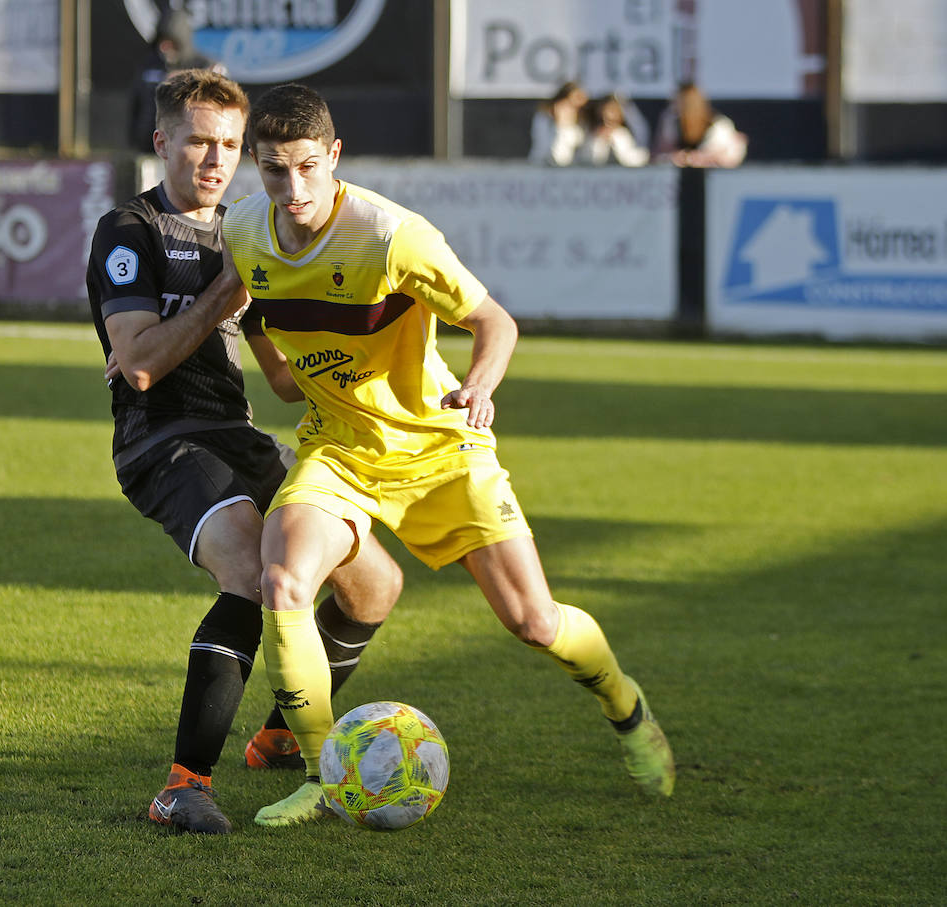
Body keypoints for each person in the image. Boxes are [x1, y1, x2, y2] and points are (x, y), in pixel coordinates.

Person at [220, 83, 677, 827]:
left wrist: (480, 385)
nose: (293, 187)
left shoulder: (392, 235)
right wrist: (270, 358)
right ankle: (321, 774)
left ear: (334, 155)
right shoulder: (243, 231)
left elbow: (496, 322)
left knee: (532, 620)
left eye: (308, 166)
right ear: (257, 165)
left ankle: (627, 708)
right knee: (282, 582)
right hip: (342, 450)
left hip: (440, 448)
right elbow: (267, 338)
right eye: (274, 169)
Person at [87, 68, 403, 835]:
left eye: (230, 144)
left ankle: (280, 736)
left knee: (374, 584)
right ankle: (183, 784)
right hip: (161, 439)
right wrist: (226, 292)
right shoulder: (129, 231)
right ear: (163, 142)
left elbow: (284, 381)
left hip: (239, 435)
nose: (215, 158)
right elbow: (138, 363)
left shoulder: (249, 231)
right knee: (256, 571)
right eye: (199, 141)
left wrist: (369, 348)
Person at [126, 7, 224, 154]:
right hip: (148, 146)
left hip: (189, 149)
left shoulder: (205, 65)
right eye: (162, 42)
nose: (165, 48)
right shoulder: (149, 66)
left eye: (170, 42)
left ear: (181, 40)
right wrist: (134, 138)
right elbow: (136, 103)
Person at [652, 81, 747, 168]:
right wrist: (676, 157)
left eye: (681, 102)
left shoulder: (719, 125)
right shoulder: (670, 120)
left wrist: (703, 158)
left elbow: (729, 159)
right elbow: (660, 152)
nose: (675, 106)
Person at [575, 92, 649, 166]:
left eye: (612, 111)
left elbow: (631, 159)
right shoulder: (590, 134)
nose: (607, 116)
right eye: (604, 110)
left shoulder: (622, 134)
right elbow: (586, 159)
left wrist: (615, 141)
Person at [527, 80, 587, 166]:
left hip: (569, 166)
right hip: (542, 164)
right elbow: (545, 147)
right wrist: (559, 125)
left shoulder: (581, 119)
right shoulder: (544, 116)